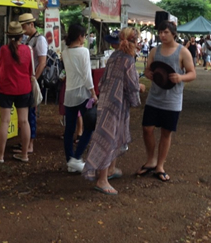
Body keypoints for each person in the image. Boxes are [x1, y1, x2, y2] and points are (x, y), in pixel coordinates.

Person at [83, 28, 141, 195]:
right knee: (108, 138)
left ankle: (110, 169)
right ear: (135, 43)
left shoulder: (114, 57)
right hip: (116, 105)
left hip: (106, 100)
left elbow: (102, 82)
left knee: (111, 136)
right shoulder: (128, 61)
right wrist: (138, 92)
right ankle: (102, 179)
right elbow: (132, 86)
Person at [136, 21, 196, 182]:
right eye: (160, 32)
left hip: (172, 100)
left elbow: (192, 73)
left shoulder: (183, 52)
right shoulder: (155, 51)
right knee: (147, 129)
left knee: (166, 133)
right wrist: (148, 74)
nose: (162, 35)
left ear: (173, 33)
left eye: (165, 32)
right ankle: (151, 160)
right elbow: (149, 69)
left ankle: (160, 165)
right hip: (154, 98)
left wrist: (181, 77)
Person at [0, 21, 32, 164]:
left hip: (6, 89)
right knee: (24, 121)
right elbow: (30, 70)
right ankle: (25, 155)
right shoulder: (27, 50)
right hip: (24, 88)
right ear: (21, 35)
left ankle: (0, 156)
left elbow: (0, 67)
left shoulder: (4, 50)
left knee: (4, 121)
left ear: (8, 36)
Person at [62, 24, 98, 173]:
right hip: (83, 93)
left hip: (69, 93)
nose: (85, 38)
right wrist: (93, 93)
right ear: (80, 36)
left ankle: (70, 160)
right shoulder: (83, 51)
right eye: (84, 36)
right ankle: (76, 158)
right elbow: (87, 75)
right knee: (89, 126)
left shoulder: (65, 52)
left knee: (69, 129)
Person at [18, 12, 48, 154]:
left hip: (33, 78)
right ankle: (26, 141)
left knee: (31, 112)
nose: (23, 29)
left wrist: (34, 78)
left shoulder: (40, 40)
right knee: (27, 112)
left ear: (31, 25)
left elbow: (42, 62)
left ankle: (30, 144)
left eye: (24, 26)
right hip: (28, 78)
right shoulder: (28, 39)